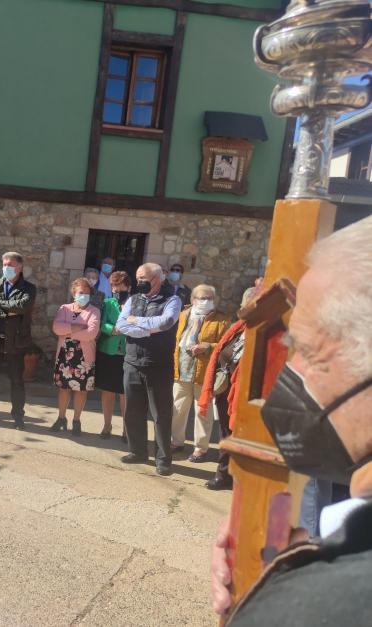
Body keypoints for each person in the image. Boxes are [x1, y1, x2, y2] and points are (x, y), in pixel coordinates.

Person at [211, 216, 372, 624]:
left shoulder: (334, 602)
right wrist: (284, 569)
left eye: (309, 352)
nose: (290, 372)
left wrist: (278, 602)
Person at [116, 262, 181, 476]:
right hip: (132, 362)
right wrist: (147, 330)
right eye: (138, 278)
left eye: (143, 278)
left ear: (158, 278)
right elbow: (121, 325)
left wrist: (136, 321)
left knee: (161, 414)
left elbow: (166, 322)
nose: (139, 282)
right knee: (132, 411)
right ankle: (137, 452)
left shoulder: (172, 300)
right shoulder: (133, 299)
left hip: (158, 365)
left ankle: (163, 460)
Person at [198, 287, 257, 490]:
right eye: (243, 304)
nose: (243, 309)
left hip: (244, 394)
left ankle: (233, 478)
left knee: (239, 437)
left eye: (247, 306)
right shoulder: (238, 328)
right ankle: (224, 475)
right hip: (226, 390)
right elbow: (223, 351)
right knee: (225, 434)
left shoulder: (260, 332)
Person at [170, 285, 230, 462]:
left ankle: (200, 449)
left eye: (210, 298)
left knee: (203, 412)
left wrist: (208, 346)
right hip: (181, 370)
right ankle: (176, 442)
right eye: (203, 298)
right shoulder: (183, 315)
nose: (207, 301)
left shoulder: (222, 320)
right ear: (193, 299)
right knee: (178, 409)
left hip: (204, 373)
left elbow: (227, 346)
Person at [0, 252, 37, 430]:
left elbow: (23, 306)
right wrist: (9, 311)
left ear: (20, 267)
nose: (6, 268)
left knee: (17, 380)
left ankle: (18, 417)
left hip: (16, 340)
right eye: (4, 265)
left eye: (10, 265)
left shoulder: (29, 288)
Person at [50, 277, 100, 436]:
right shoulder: (64, 309)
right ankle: (61, 418)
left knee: (81, 390)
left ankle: (76, 420)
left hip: (84, 358)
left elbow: (91, 333)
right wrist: (78, 327)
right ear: (74, 293)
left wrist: (68, 331)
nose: (83, 295)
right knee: (63, 389)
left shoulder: (94, 311)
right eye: (80, 292)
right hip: (64, 356)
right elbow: (56, 328)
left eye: (86, 293)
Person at [96, 270, 130, 438]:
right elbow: (101, 323)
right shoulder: (107, 303)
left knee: (124, 394)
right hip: (108, 351)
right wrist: (112, 329)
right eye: (113, 286)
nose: (116, 290)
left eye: (120, 286)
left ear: (128, 287)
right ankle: (107, 425)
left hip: (127, 353)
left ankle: (126, 429)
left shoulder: (135, 304)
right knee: (107, 391)